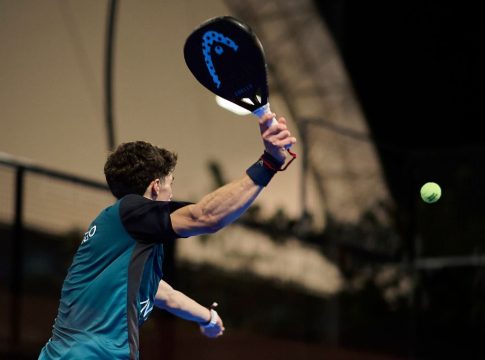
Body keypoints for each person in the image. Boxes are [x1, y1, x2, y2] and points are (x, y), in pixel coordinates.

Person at [38, 112, 297, 359]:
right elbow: (205, 216)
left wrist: (207, 318)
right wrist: (270, 162)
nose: (171, 194)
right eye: (170, 183)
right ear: (155, 186)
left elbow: (165, 295)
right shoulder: (132, 211)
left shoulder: (122, 237)